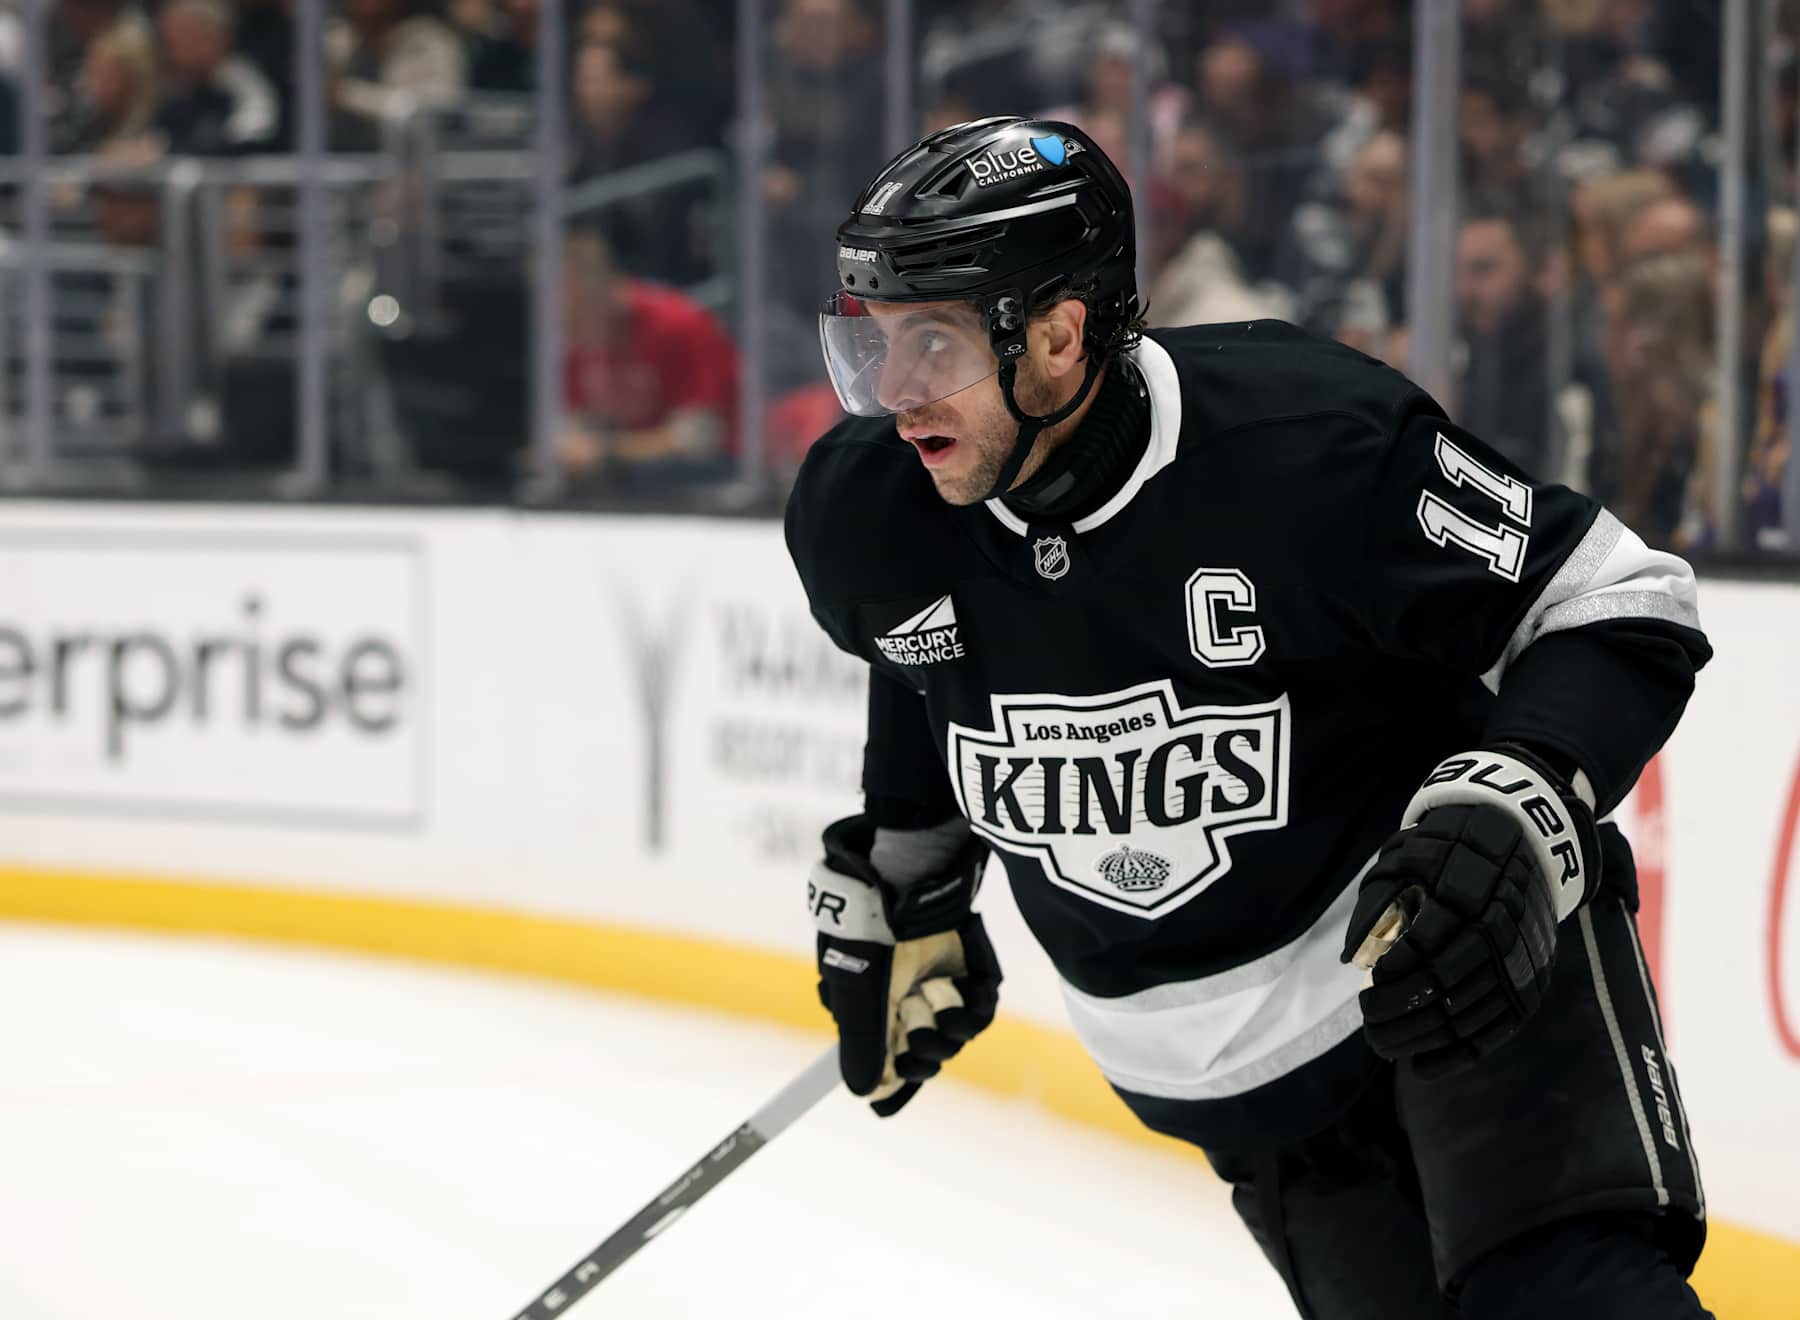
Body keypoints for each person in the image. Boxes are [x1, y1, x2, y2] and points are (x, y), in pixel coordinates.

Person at [785, 117, 1712, 1319]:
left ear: (1060, 334)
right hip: (1250, 1093)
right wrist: (906, 868)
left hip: (1457, 951)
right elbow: (926, 650)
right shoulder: (874, 509)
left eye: (933, 343)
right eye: (873, 345)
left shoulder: (1305, 443)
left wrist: (1514, 793)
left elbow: (1620, 600)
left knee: (1565, 1300)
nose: (894, 396)